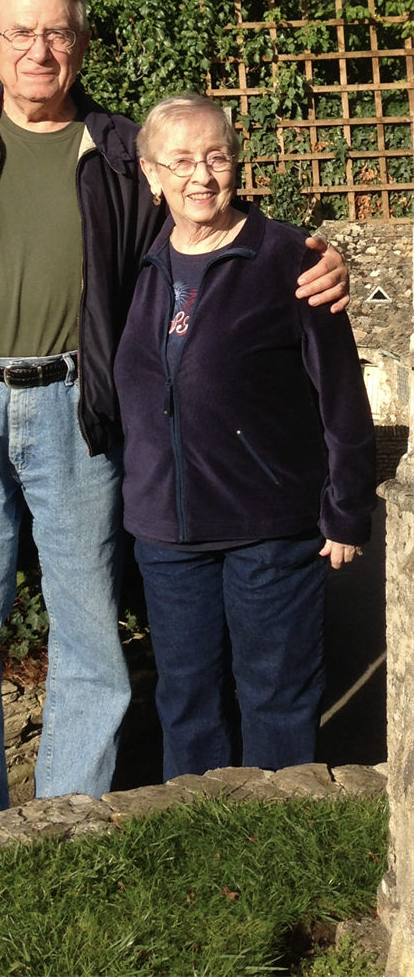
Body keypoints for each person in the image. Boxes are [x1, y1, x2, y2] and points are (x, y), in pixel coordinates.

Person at [0, 0, 348, 821]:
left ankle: (70, 818)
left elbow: (208, 211)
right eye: (19, 34)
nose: (37, 51)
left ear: (81, 42)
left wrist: (307, 259)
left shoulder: (124, 152)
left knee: (90, 636)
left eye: (55, 33)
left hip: (82, 416)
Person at [113, 93, 376, 779]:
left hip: (269, 522)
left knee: (276, 693)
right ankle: (198, 827)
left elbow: (340, 395)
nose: (200, 176)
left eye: (216, 156)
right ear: (150, 174)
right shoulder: (135, 267)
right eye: (180, 161)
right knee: (187, 695)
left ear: (235, 162)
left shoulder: (288, 258)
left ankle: (280, 824)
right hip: (165, 531)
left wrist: (345, 511)